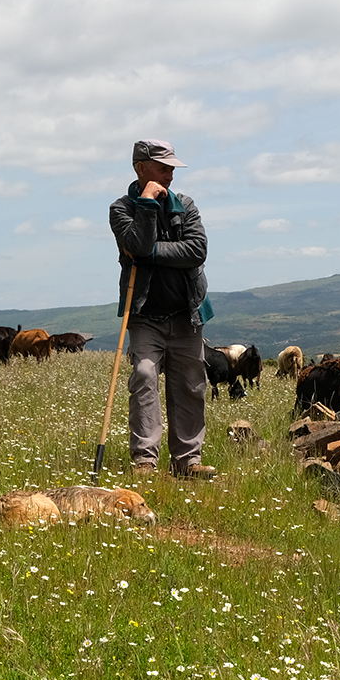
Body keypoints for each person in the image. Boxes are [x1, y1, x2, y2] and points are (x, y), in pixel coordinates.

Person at [109, 139, 216, 479]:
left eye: (172, 169)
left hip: (187, 313)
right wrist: (146, 204)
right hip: (144, 315)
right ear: (141, 168)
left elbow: (196, 250)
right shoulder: (122, 209)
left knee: (191, 384)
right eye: (163, 168)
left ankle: (188, 462)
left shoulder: (185, 205)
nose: (170, 175)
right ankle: (145, 461)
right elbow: (136, 243)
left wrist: (150, 254)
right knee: (143, 374)